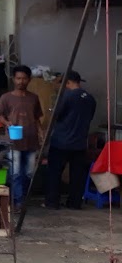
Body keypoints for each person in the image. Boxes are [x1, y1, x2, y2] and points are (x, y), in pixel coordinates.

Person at [45, 71, 96, 210]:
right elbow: (90, 117)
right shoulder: (90, 98)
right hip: (79, 143)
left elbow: (57, 115)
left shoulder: (66, 96)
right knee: (77, 175)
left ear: (67, 82)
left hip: (61, 142)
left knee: (54, 173)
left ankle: (52, 202)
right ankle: (74, 203)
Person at [0, 65, 43, 208]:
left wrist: (41, 133)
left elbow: (37, 118)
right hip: (13, 141)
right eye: (18, 78)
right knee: (15, 172)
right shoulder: (6, 97)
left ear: (29, 80)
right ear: (13, 79)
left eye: (24, 79)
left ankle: (24, 197)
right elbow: (0, 116)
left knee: (29, 173)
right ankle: (18, 201)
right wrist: (7, 123)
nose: (21, 81)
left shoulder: (34, 98)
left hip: (31, 140)